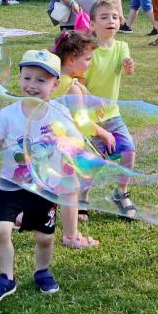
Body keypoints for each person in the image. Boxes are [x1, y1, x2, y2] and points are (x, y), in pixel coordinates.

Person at [0, 49, 68, 302]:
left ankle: (42, 271)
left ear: (55, 84)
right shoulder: (8, 114)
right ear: (19, 78)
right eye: (27, 78)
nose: (32, 85)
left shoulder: (60, 114)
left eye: (41, 80)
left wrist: (65, 143)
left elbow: (73, 143)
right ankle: (6, 278)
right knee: (0, 230)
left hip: (45, 186)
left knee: (44, 237)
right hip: (11, 184)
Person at [51, 31, 110, 248]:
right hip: (66, 146)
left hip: (50, 143)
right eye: (87, 59)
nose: (90, 63)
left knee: (48, 184)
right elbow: (81, 121)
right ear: (72, 59)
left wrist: (86, 93)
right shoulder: (72, 88)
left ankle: (22, 216)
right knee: (70, 188)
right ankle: (71, 236)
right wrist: (103, 132)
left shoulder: (54, 81)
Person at [84, 0, 137, 219]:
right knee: (92, 161)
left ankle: (121, 192)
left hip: (113, 115)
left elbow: (127, 67)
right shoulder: (88, 50)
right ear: (92, 24)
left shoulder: (121, 46)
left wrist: (129, 66)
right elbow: (79, 81)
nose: (111, 21)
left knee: (129, 151)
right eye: (104, 17)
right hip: (89, 118)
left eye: (115, 17)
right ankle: (83, 197)